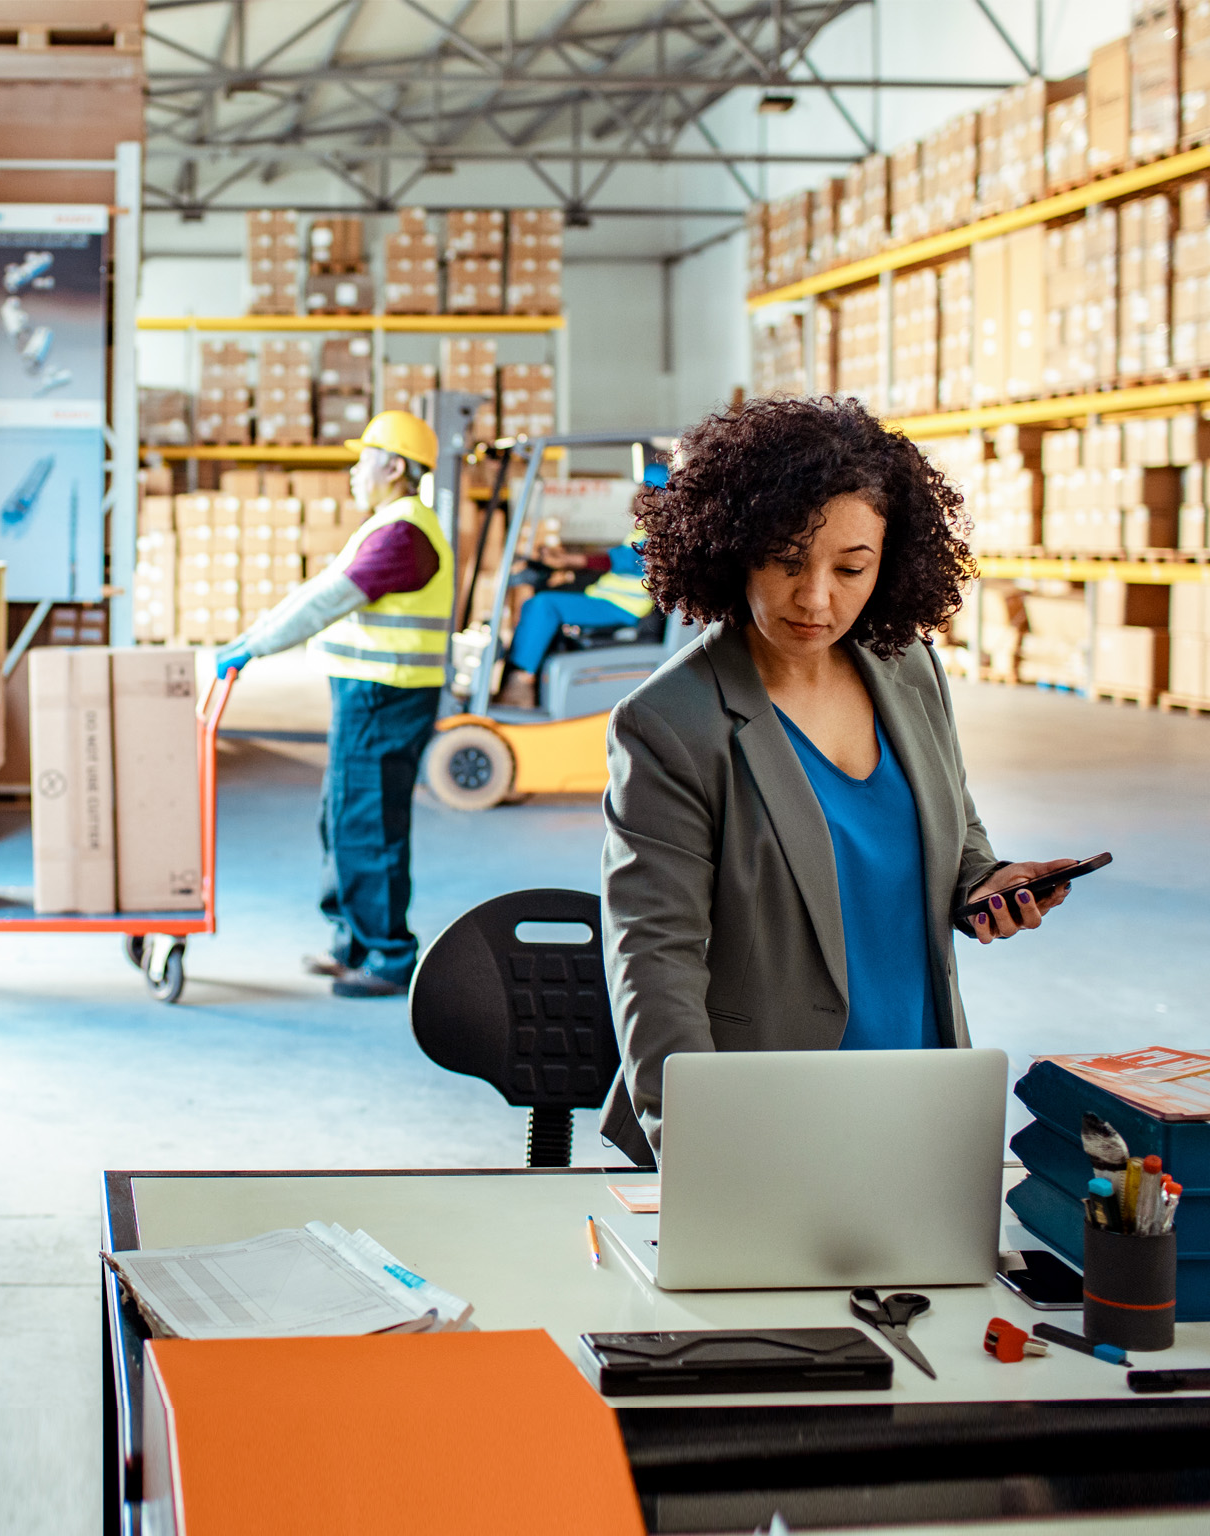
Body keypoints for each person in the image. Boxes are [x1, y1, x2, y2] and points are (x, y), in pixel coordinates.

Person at [598, 397, 1078, 1168]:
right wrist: (699, 1149)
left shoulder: (906, 666)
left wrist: (985, 882)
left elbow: (954, 828)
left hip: (921, 1079)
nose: (816, 597)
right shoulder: (670, 724)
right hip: (765, 1109)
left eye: (851, 567)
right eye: (786, 560)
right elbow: (655, 960)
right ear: (733, 550)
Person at [214, 410, 453, 999]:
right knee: (342, 817)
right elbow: (317, 592)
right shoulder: (389, 525)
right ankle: (351, 942)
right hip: (373, 694)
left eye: (362, 457)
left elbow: (326, 601)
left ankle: (388, 957)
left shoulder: (402, 534)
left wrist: (255, 647)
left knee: (366, 824)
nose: (353, 469)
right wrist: (255, 634)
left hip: (385, 696)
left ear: (394, 467)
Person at [494, 466, 666, 710]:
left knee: (543, 604)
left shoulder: (661, 535)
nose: (637, 494)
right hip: (609, 600)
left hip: (623, 608)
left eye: (645, 488)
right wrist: (561, 563)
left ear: (658, 497)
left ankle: (520, 685)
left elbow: (624, 560)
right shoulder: (642, 529)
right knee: (551, 597)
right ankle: (527, 682)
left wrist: (570, 560)